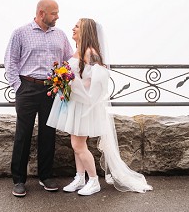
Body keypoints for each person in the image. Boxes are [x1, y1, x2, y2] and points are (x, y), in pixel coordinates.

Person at [46, 18, 153, 196]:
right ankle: (80, 178)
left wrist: (72, 84)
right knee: (76, 145)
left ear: (85, 31)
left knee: (78, 145)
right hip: (75, 104)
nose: (73, 28)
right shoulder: (78, 51)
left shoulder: (91, 53)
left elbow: (99, 80)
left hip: (85, 105)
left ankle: (94, 181)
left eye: (77, 26)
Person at [4, 0, 74, 197]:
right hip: (27, 88)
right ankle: (18, 180)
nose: (57, 17)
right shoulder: (20, 33)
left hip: (51, 89)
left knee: (48, 133)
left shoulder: (60, 35)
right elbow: (10, 62)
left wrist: (91, 56)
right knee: (23, 134)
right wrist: (18, 87)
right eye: (54, 13)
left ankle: (46, 176)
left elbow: (69, 59)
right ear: (42, 13)